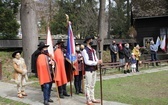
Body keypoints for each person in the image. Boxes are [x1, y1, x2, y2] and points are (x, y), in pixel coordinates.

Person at [82, 36, 102, 105]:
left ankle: (92, 98)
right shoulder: (85, 51)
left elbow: (95, 58)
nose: (92, 41)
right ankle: (88, 100)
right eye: (91, 40)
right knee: (88, 85)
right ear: (88, 41)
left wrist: (98, 61)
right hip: (88, 70)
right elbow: (87, 61)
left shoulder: (93, 50)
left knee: (93, 85)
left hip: (94, 69)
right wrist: (96, 62)